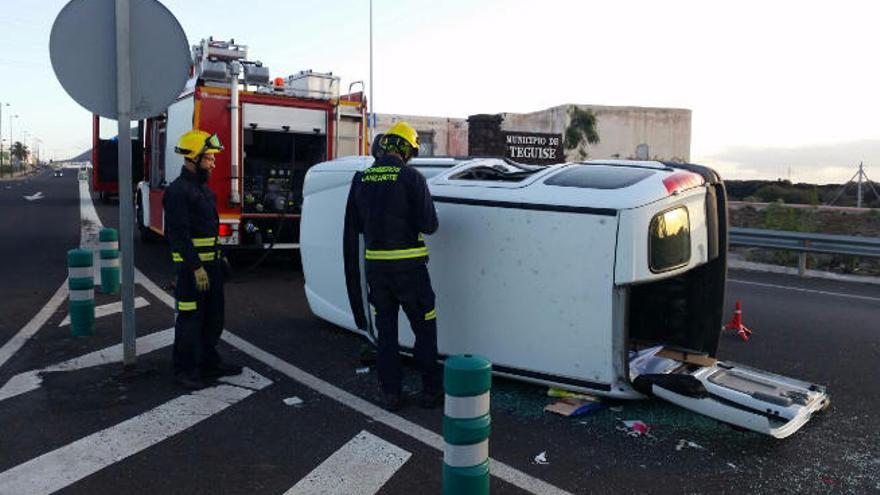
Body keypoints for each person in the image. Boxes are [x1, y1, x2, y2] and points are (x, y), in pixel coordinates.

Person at [347, 121, 442, 411]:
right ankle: (430, 392)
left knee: (386, 333)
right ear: (404, 148)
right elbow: (430, 225)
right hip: (410, 271)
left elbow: (355, 226)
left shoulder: (361, 179)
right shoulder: (411, 178)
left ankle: (391, 394)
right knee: (424, 328)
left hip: (377, 272)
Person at [164, 130, 241, 388]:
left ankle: (209, 362)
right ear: (193, 158)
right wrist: (196, 268)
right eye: (208, 158)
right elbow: (179, 236)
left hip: (212, 268)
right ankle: (183, 371)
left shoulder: (203, 190)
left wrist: (220, 261)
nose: (213, 162)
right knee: (189, 320)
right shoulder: (177, 192)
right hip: (191, 271)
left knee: (213, 318)